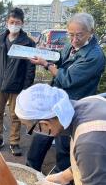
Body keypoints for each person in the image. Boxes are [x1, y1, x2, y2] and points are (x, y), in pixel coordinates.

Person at [27, 12, 105, 173]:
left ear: (91, 32)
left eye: (79, 35)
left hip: (73, 104)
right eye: (71, 34)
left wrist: (46, 64)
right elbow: (61, 60)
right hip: (56, 100)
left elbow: (68, 79)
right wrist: (45, 54)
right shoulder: (70, 45)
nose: (74, 39)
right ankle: (30, 172)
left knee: (64, 147)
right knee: (41, 135)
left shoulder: (95, 56)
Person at [0, 7, 35, 155]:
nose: (14, 25)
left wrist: (26, 87)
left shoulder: (28, 43)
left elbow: (30, 67)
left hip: (17, 85)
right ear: (7, 22)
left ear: (22, 23)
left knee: (16, 115)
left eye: (17, 22)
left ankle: (14, 142)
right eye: (12, 22)